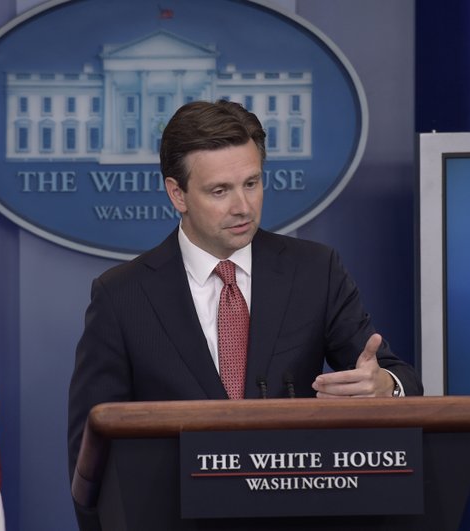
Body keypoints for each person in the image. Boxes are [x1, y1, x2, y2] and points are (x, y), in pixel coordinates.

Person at [67, 100, 423, 484]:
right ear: (178, 194)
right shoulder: (122, 296)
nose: (243, 207)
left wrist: (385, 386)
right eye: (220, 191)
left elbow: (399, 376)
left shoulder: (315, 272)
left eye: (251, 184)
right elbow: (89, 458)